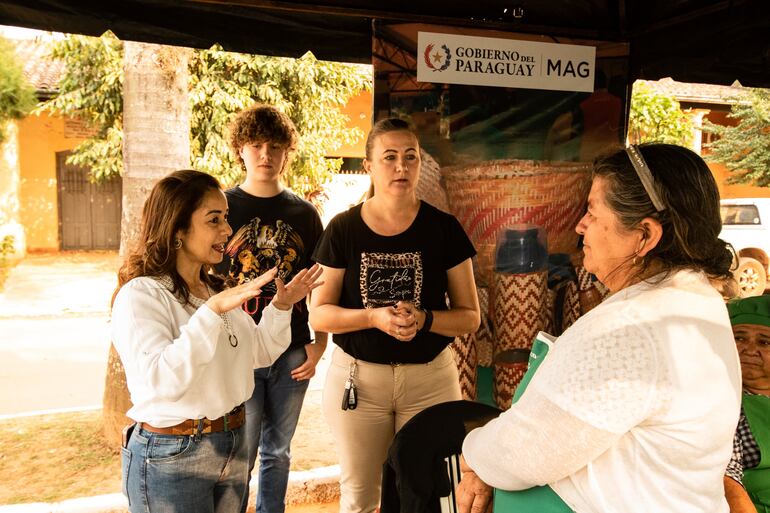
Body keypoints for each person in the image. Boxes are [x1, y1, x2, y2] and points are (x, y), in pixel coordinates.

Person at [458, 143, 742, 513]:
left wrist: (475, 455)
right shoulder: (692, 299)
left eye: (592, 211)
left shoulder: (635, 326)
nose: (580, 226)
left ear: (645, 236)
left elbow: (530, 448)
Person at [111, 169, 322, 513]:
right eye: (214, 220)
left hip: (232, 445)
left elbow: (258, 353)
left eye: (225, 217)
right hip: (173, 455)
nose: (227, 230)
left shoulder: (215, 290)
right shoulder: (142, 295)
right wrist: (210, 314)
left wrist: (282, 306)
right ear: (177, 228)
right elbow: (160, 382)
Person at [309, 117, 481, 513]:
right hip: (359, 382)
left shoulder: (444, 229)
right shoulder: (343, 229)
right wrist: (373, 318)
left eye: (410, 157)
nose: (401, 167)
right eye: (389, 157)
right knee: (360, 497)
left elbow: (470, 317)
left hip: (431, 380)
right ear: (368, 166)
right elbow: (320, 315)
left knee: (432, 494)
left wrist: (425, 319)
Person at [217, 104, 327, 513]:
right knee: (239, 454)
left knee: (277, 451)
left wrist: (321, 343)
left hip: (292, 350)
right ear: (240, 150)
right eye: (256, 145)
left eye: (275, 146)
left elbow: (320, 282)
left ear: (287, 152)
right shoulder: (222, 207)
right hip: (236, 348)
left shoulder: (304, 213)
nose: (265, 154)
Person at [725, 295, 770, 513]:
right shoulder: (721, 400)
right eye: (739, 338)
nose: (749, 349)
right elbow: (727, 477)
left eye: (764, 342)